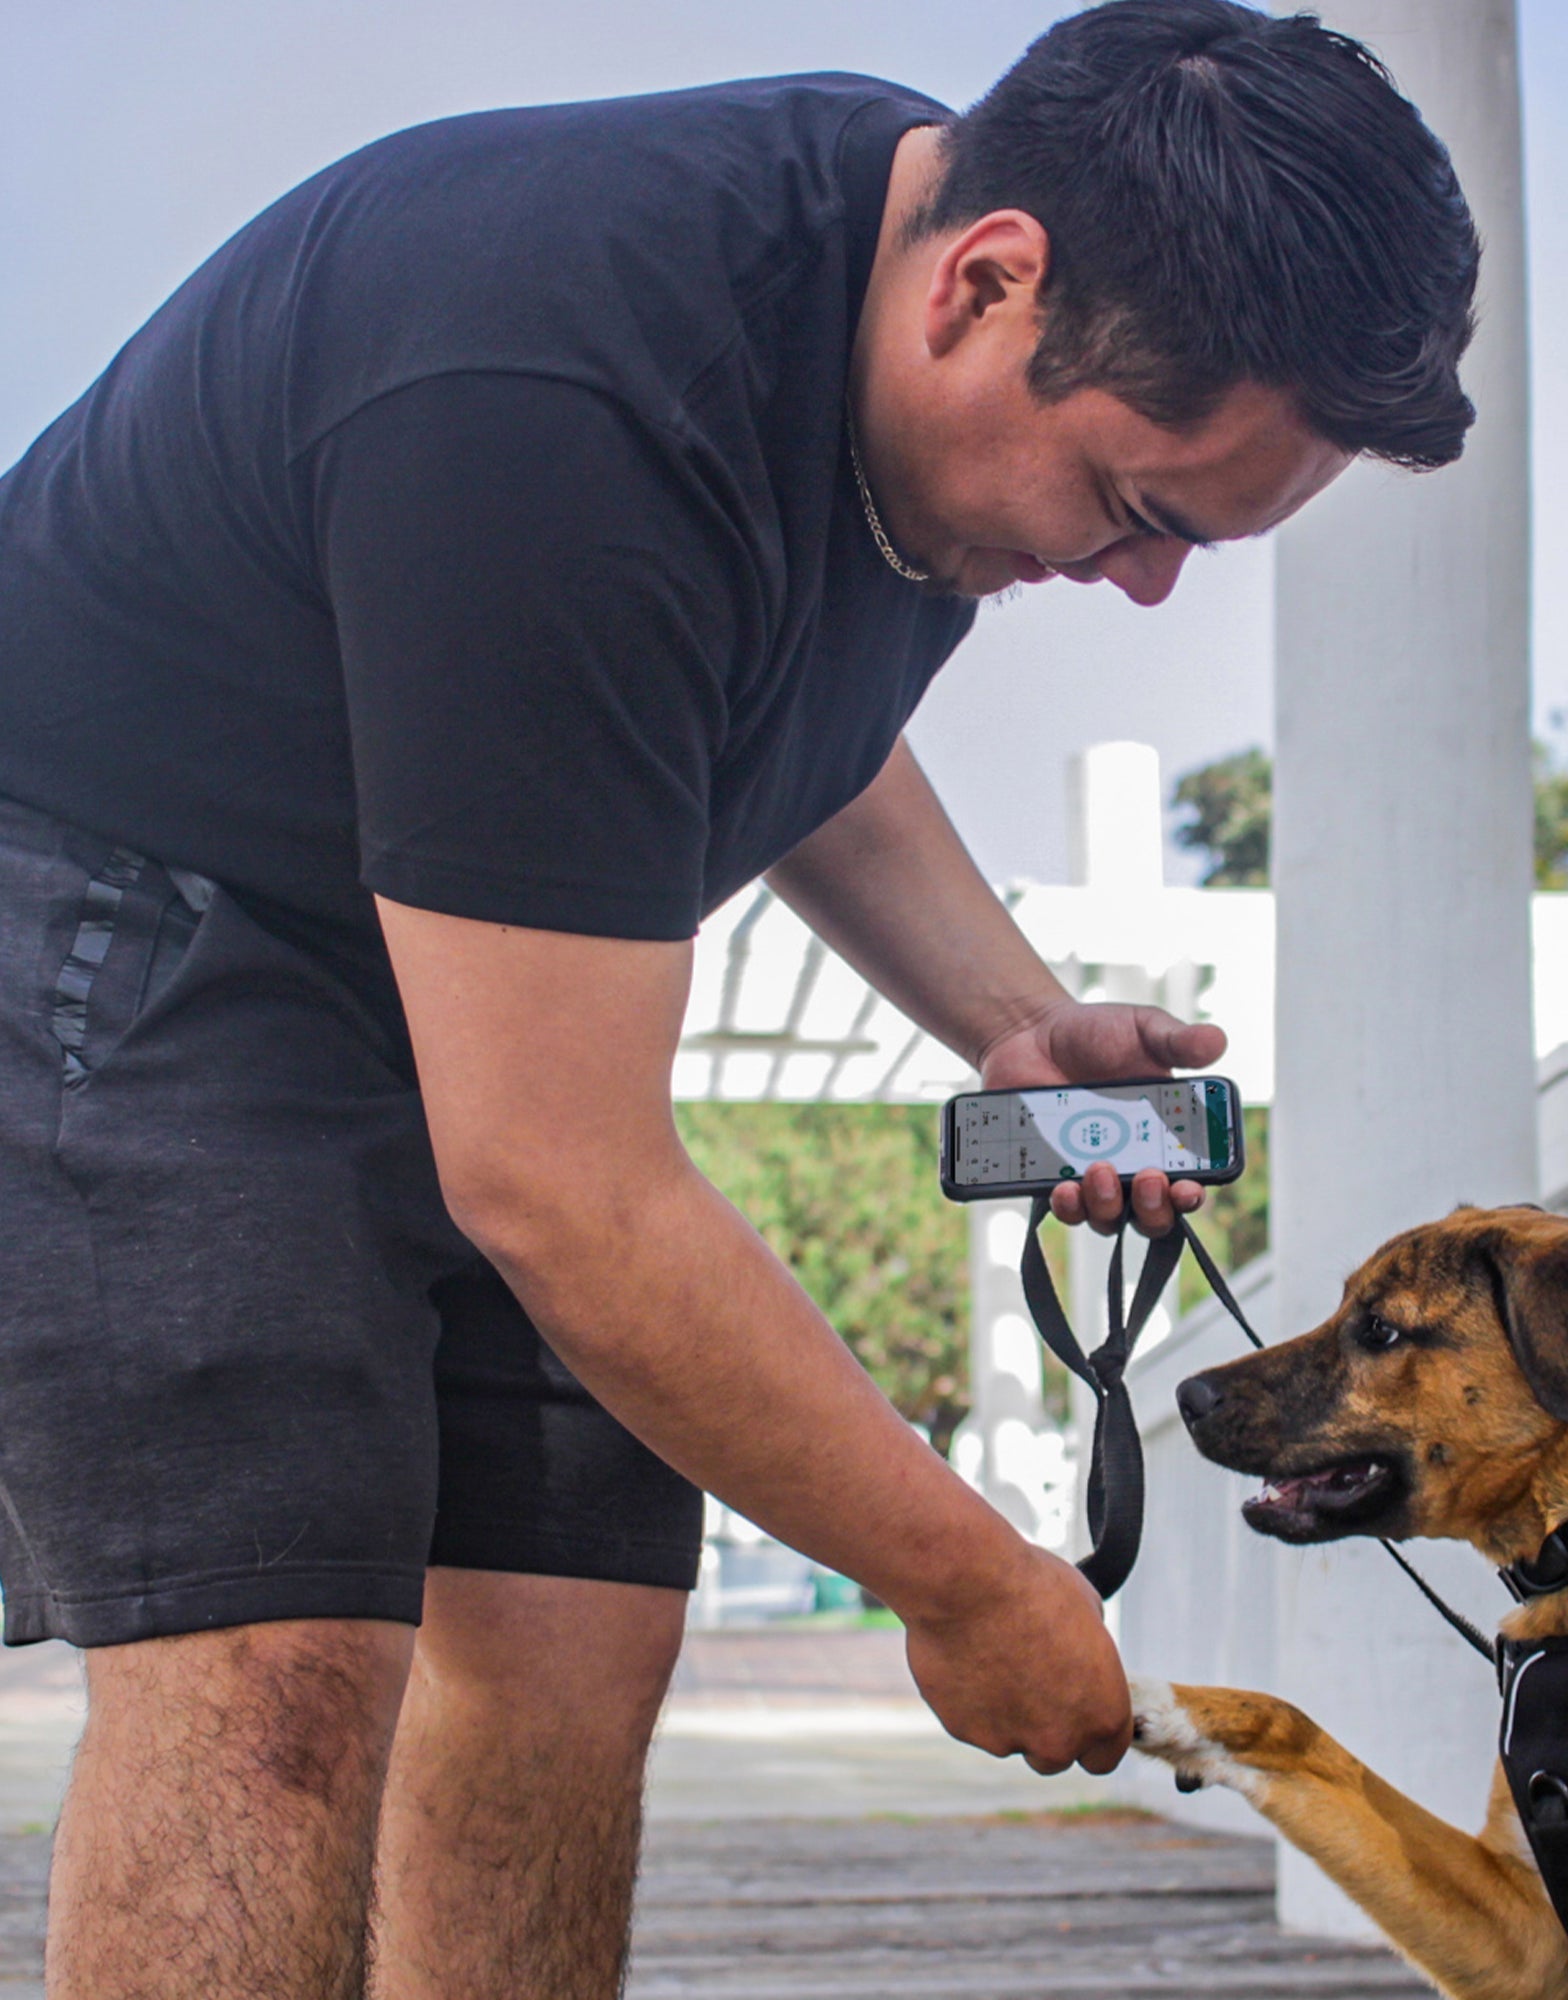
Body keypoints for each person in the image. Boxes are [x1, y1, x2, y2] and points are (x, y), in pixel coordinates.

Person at [0, 1, 1479, 1992]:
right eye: (1138, 508)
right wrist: (967, 1582)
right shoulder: (559, 388)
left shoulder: (912, 319)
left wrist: (1009, 1021)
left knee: (571, 1637)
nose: (1143, 591)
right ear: (986, 282)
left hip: (445, 930)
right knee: (279, 1657)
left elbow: (786, 712)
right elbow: (556, 1180)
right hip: (131, 909)